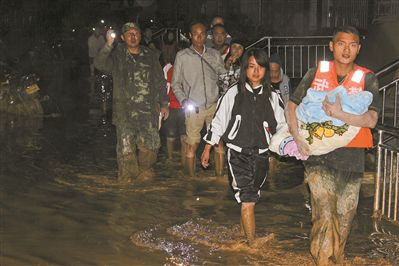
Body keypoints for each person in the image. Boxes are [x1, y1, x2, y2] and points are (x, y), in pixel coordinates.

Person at [285, 25, 380, 265]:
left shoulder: (368, 78)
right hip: (318, 156)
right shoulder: (316, 71)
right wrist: (297, 138)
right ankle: (324, 261)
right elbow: (292, 105)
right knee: (325, 213)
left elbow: (371, 119)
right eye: (341, 43)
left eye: (352, 45)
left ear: (358, 48)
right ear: (331, 46)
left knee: (345, 218)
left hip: (352, 158)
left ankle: (333, 257)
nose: (346, 49)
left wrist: (341, 115)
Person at [201, 48, 286, 247]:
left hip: (262, 156)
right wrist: (208, 147)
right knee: (247, 200)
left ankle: (242, 236)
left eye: (260, 67)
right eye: (251, 67)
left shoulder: (273, 96)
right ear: (244, 69)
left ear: (266, 70)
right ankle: (252, 245)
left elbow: (283, 125)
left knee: (250, 199)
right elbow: (219, 121)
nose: (256, 72)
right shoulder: (233, 92)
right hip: (238, 154)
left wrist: (283, 144)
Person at [94, 22, 169, 183]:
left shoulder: (151, 55)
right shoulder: (117, 56)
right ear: (122, 37)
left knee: (150, 147)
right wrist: (108, 44)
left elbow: (160, 81)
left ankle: (145, 173)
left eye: (136, 33)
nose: (133, 36)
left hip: (148, 112)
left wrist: (164, 103)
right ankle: (126, 183)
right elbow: (99, 64)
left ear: (140, 36)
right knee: (126, 150)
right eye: (129, 34)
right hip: (124, 112)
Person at [171, 20, 227, 177]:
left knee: (218, 143)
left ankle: (219, 178)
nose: (199, 37)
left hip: (214, 106)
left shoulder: (214, 54)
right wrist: (184, 100)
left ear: (206, 35)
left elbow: (223, 77)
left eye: (202, 33)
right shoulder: (182, 56)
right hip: (193, 107)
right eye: (195, 34)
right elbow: (175, 84)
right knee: (192, 145)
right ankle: (190, 181)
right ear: (190, 36)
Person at [162, 41, 188, 165]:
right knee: (170, 136)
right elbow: (163, 88)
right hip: (171, 107)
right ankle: (170, 159)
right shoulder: (168, 68)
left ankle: (184, 164)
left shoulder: (191, 68)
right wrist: (163, 104)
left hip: (186, 107)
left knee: (185, 138)